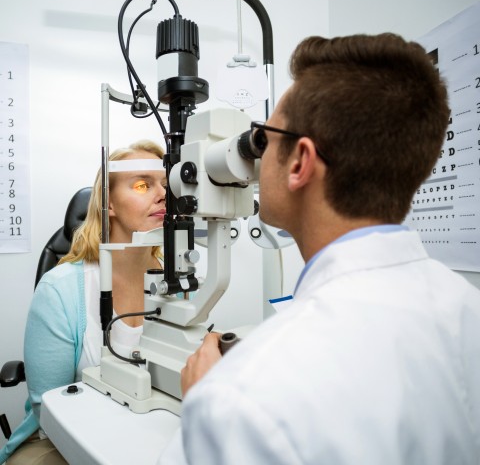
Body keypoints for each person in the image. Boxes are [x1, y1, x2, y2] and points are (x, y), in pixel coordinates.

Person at [159, 33, 480, 464]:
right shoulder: (466, 307)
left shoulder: (244, 396)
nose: (258, 157)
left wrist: (205, 408)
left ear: (300, 163)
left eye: (263, 138)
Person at [0, 139, 167, 464]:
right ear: (109, 204)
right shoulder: (61, 290)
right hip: (61, 436)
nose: (162, 193)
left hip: (154, 427)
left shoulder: (176, 283)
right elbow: (48, 406)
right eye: (143, 184)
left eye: (165, 183)